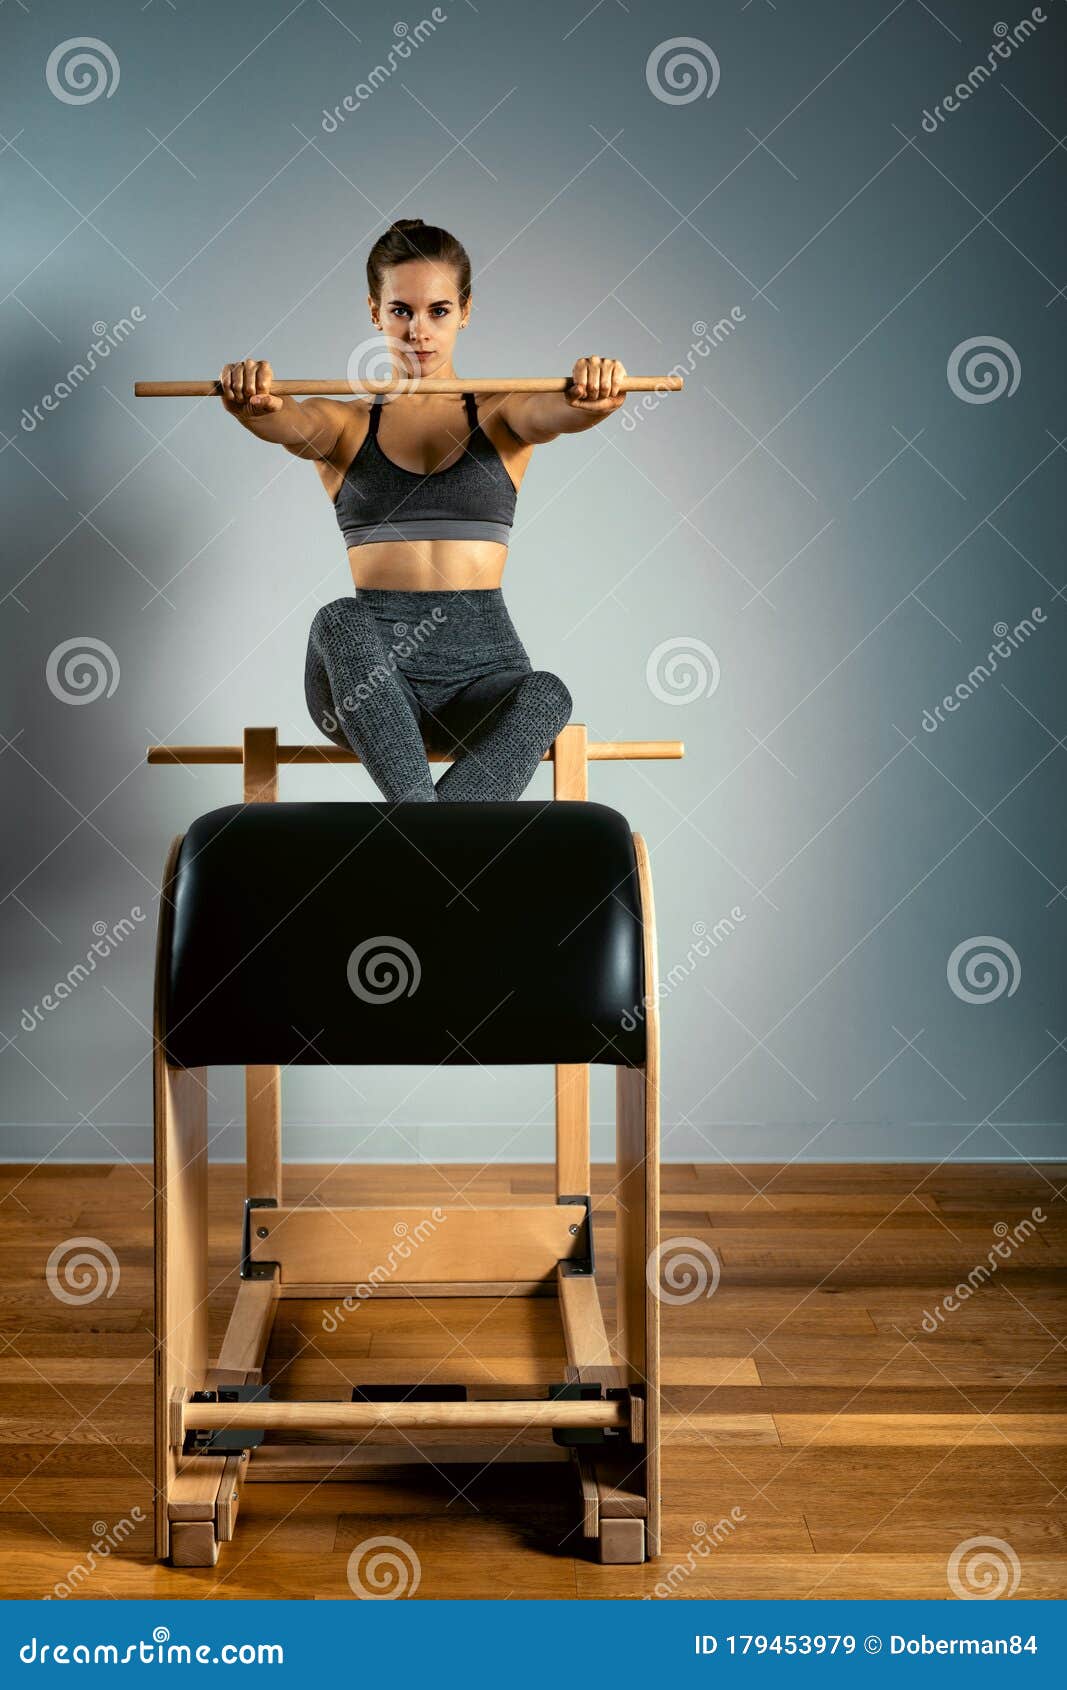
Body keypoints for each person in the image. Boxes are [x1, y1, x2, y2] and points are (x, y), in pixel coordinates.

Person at [219, 218, 627, 801]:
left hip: (482, 677)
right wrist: (255, 407)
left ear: (465, 312)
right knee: (338, 618)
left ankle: (422, 846)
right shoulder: (347, 425)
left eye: (437, 311)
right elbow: (289, 421)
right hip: (368, 681)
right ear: (374, 312)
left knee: (549, 694)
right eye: (400, 311)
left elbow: (558, 414)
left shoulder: (502, 415)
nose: (418, 332)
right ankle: (440, 848)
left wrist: (594, 401)